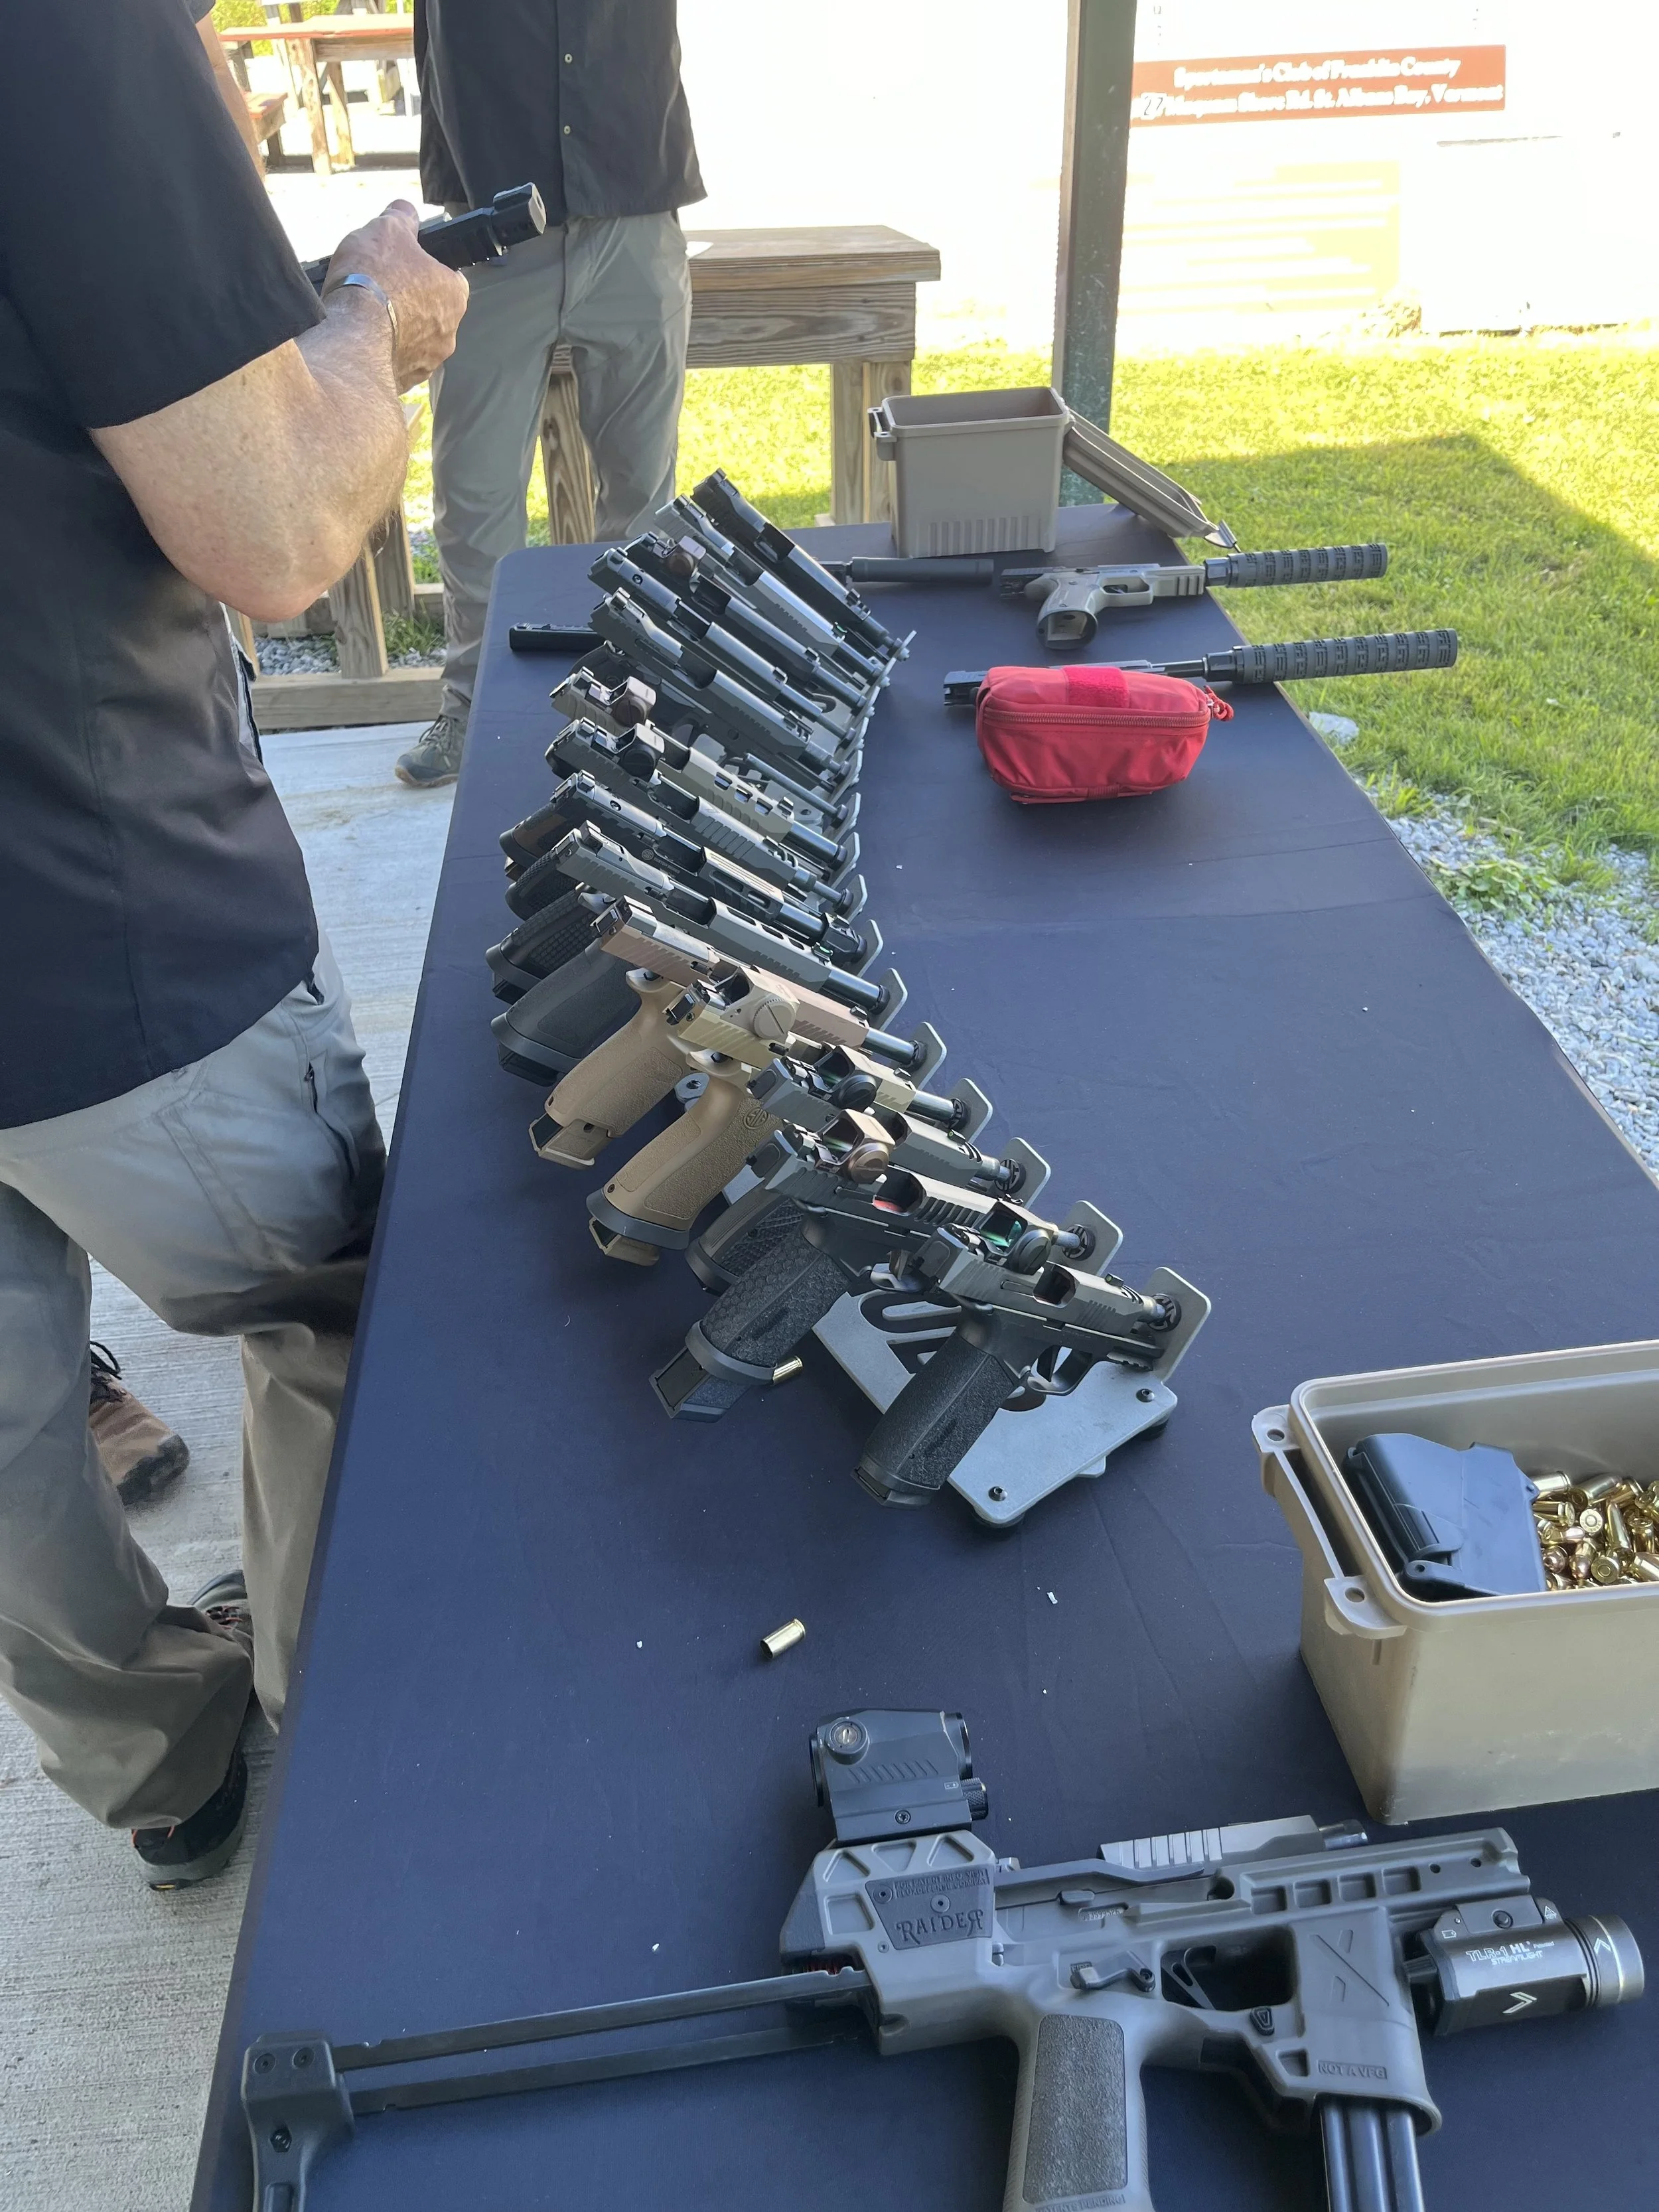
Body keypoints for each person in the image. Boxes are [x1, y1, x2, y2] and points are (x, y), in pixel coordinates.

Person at [0, 1, 467, 1887]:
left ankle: (155, 1757)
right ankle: (347, 1754)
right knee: (341, 1316)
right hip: (92, 901)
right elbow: (273, 525)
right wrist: (376, 333)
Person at [394, 0, 704, 790]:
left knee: (642, 490)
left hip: (634, 208)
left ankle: (635, 691)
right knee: (475, 494)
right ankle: (472, 704)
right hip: (491, 227)